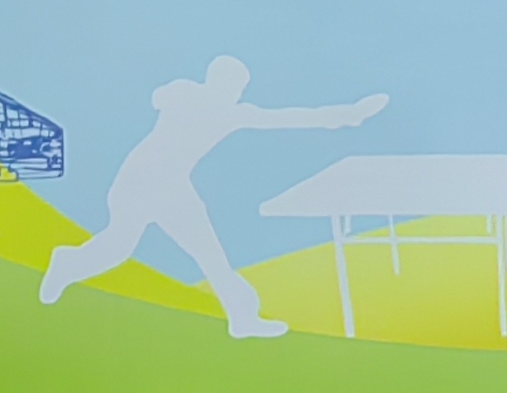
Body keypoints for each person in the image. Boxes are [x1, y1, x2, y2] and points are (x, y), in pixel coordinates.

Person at [38, 57, 385, 339]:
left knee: (211, 257)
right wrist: (171, 95)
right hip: (138, 181)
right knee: (118, 247)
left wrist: (348, 115)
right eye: (233, 85)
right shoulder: (188, 94)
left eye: (239, 88)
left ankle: (243, 320)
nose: (236, 93)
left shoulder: (231, 112)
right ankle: (66, 264)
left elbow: (290, 118)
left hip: (173, 188)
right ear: (216, 81)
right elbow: (161, 96)